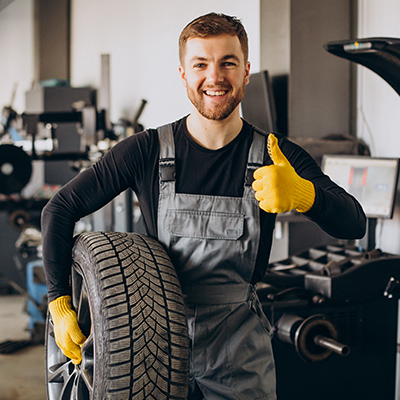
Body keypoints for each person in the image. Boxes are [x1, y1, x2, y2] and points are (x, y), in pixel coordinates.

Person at [42, 12, 366, 400]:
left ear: (246, 72)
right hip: (149, 348)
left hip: (239, 354)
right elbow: (59, 210)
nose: (215, 77)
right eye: (201, 64)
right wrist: (59, 301)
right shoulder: (145, 151)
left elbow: (354, 222)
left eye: (228, 63)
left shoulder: (276, 155)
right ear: (183, 74)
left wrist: (304, 195)